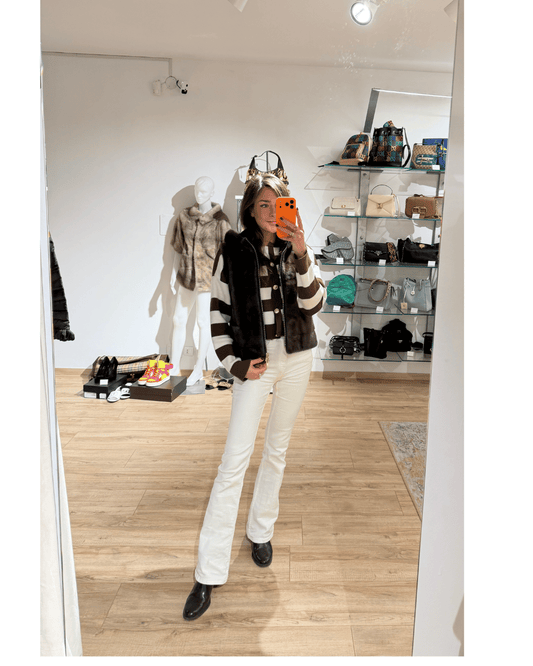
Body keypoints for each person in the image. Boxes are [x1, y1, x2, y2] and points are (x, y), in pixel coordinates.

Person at [182, 173, 325, 621]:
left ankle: (260, 531)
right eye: (263, 204)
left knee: (277, 449)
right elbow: (218, 311)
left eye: (277, 203)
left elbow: (314, 304)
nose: (270, 212)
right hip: (255, 365)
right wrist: (234, 364)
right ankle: (208, 572)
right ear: (249, 209)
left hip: (297, 360)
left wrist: (301, 252)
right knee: (233, 464)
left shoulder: (295, 247)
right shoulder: (234, 249)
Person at [170, 177, 231, 386]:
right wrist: (172, 274)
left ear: (212, 193)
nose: (199, 194)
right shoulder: (184, 216)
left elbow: (228, 254)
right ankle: (174, 367)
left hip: (207, 279)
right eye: (197, 190)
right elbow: (178, 248)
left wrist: (225, 281)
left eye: (204, 191)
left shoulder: (221, 220)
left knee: (203, 322)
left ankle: (197, 370)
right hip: (186, 276)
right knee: (178, 319)